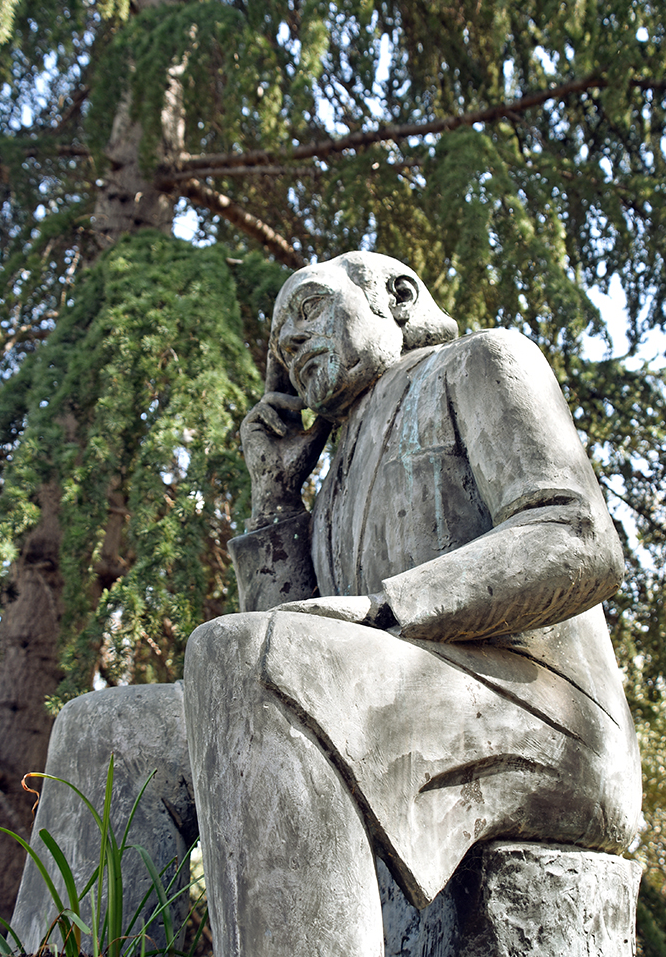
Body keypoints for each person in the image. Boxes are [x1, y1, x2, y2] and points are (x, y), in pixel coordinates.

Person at [183, 251, 642, 957]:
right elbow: (272, 655)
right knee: (106, 729)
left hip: (545, 719)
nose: (291, 345)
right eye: (278, 341)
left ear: (395, 298)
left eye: (308, 309)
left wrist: (385, 608)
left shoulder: (479, 362)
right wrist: (275, 496)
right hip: (409, 703)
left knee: (240, 649)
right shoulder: (330, 478)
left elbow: (577, 537)